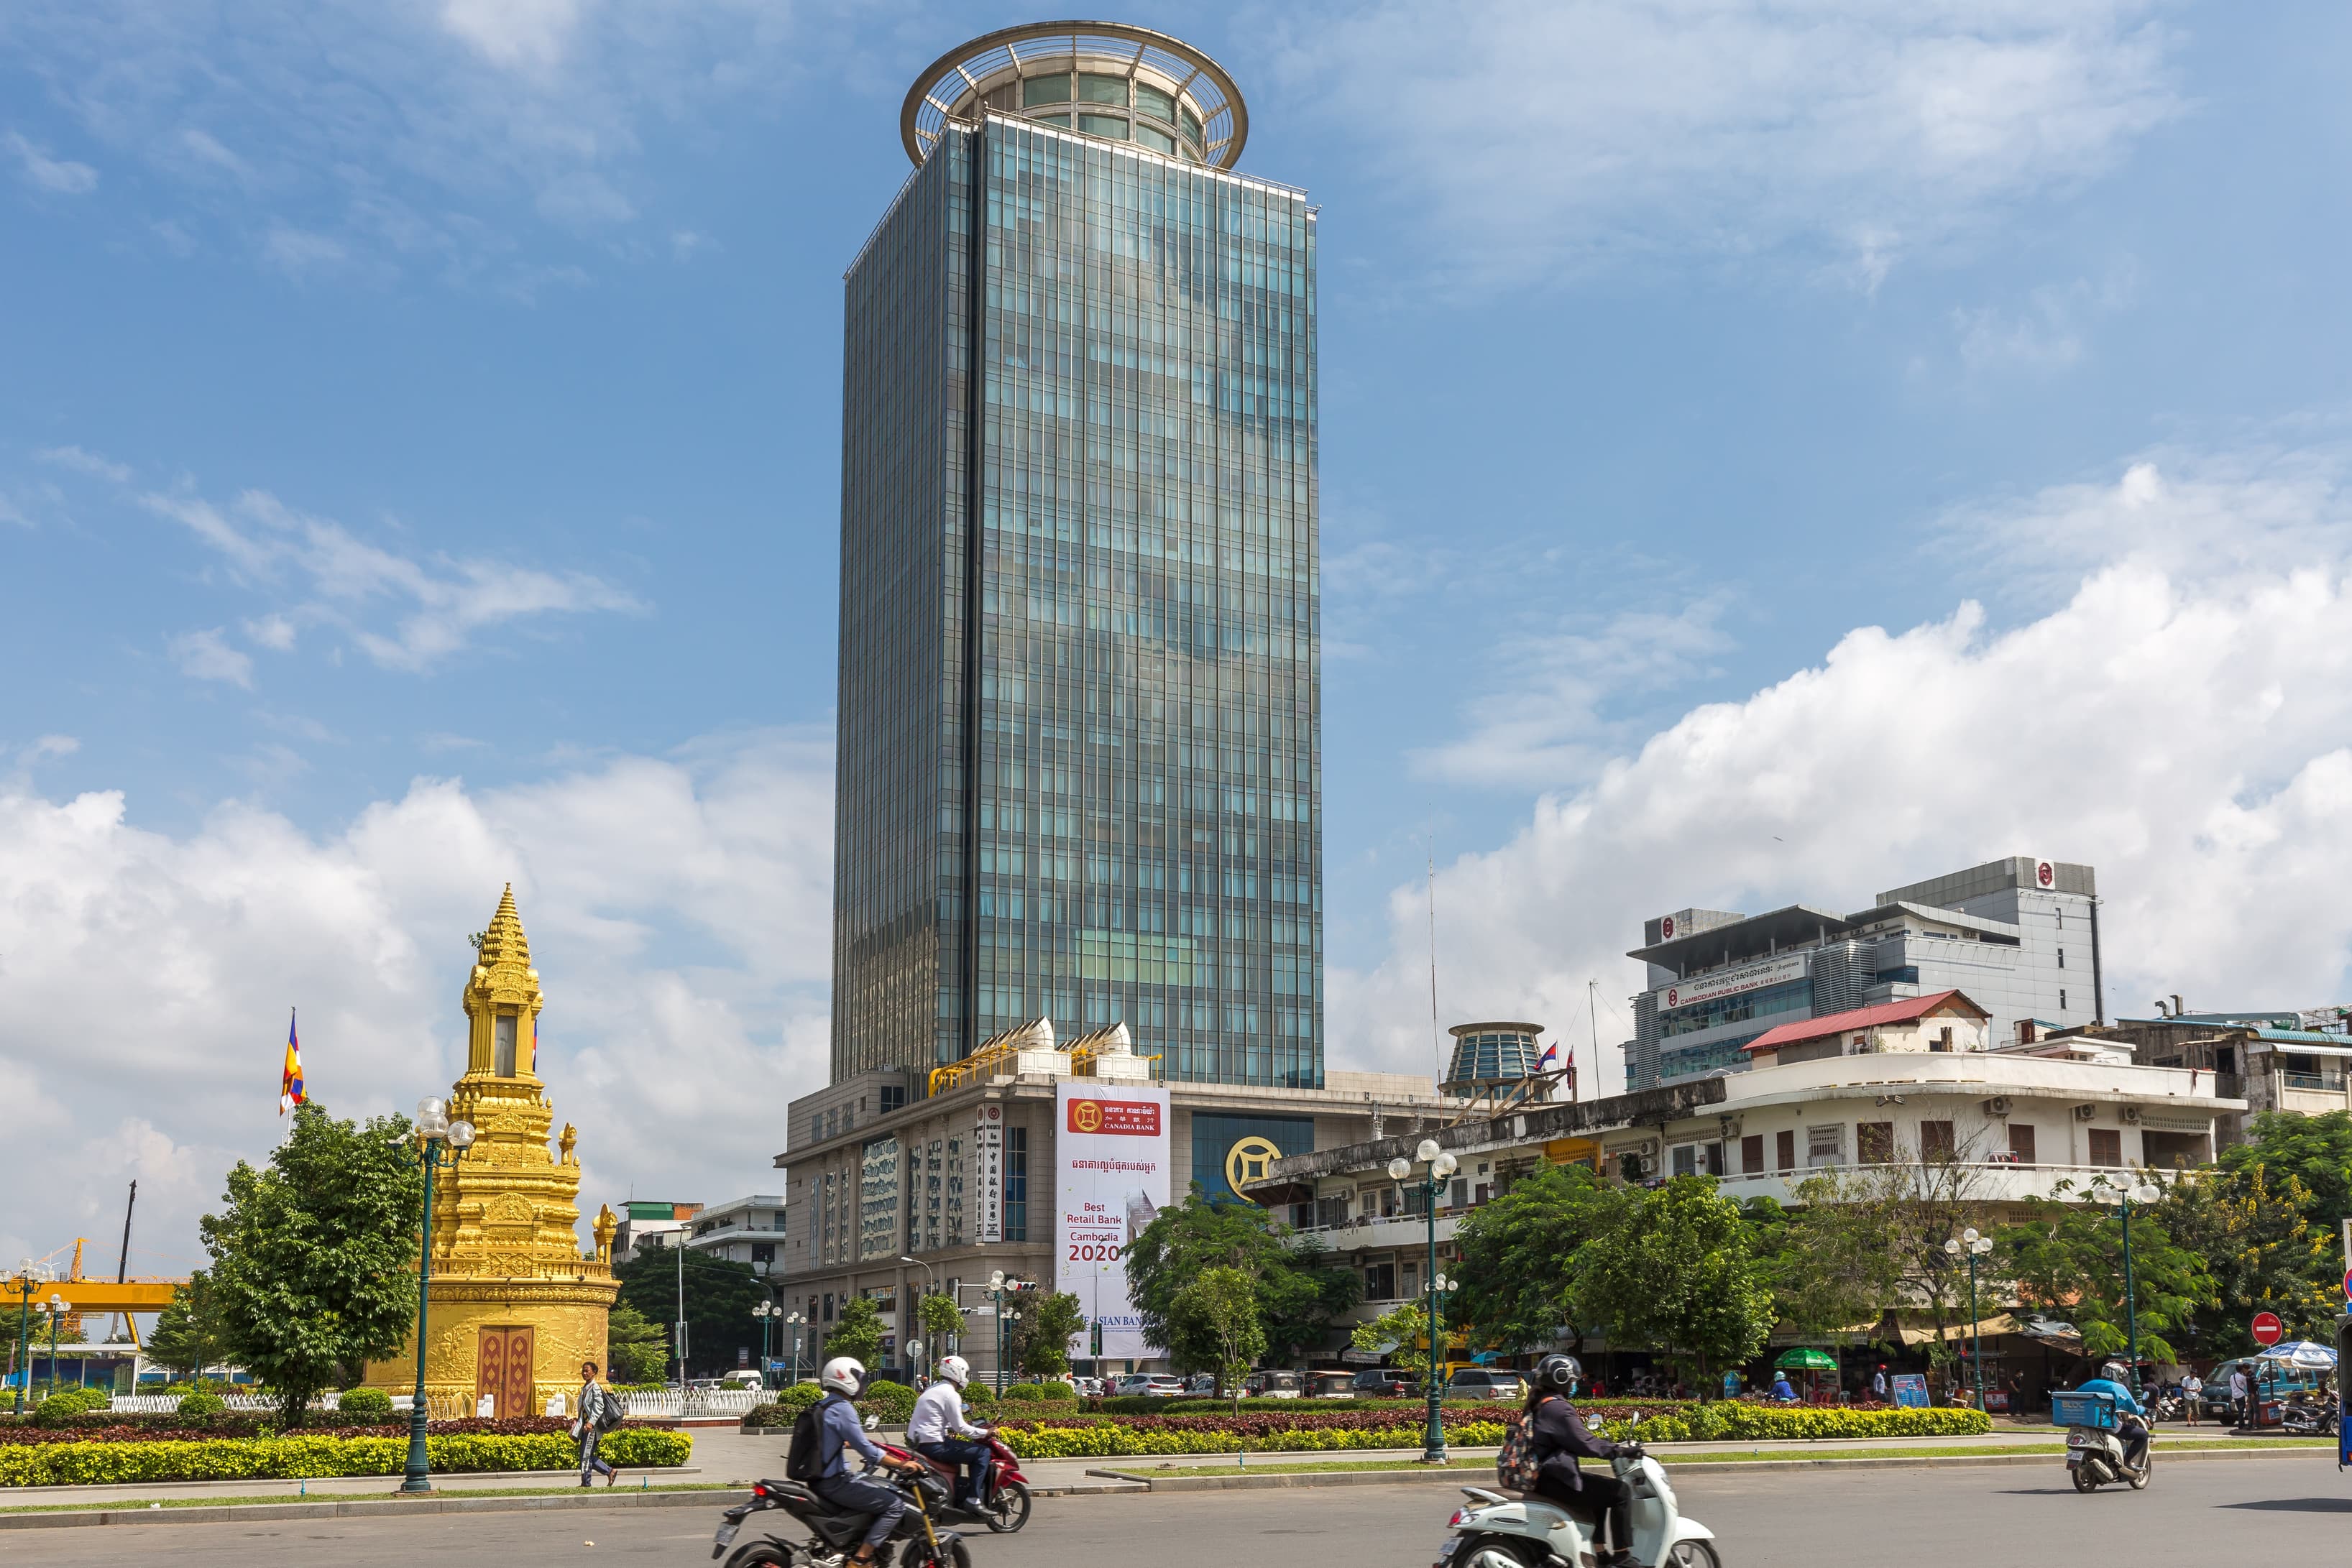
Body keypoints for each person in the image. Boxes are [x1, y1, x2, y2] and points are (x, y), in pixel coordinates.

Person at [1519, 1354, 1636, 1568]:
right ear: (1561, 1380)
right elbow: (1584, 1443)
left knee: (1601, 1493)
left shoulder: (1540, 1404)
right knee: (1620, 1492)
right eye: (1573, 1380)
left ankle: (1599, 1554)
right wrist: (1619, 1450)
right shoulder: (1558, 1409)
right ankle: (1623, 1556)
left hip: (1546, 1478)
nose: (1575, 1384)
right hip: (1554, 1481)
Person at [810, 1356, 924, 1565]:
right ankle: (861, 1559)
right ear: (847, 1379)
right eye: (860, 1380)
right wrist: (901, 1464)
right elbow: (871, 1453)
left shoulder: (822, 1405)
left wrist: (845, 1444)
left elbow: (831, 1438)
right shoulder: (843, 1408)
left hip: (818, 1480)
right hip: (835, 1483)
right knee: (895, 1506)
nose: (863, 1386)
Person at [907, 1355, 990, 1512]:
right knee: (983, 1453)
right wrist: (985, 1432)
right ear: (957, 1373)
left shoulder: (934, 1388)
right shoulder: (951, 1394)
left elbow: (939, 1420)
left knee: (958, 1452)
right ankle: (973, 1499)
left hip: (920, 1442)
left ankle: (957, 1495)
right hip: (934, 1445)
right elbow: (961, 1428)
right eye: (965, 1374)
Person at [2075, 1360, 2149, 1471]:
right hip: (2107, 1424)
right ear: (2117, 1375)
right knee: (2143, 1435)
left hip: (2084, 1422)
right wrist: (2143, 1409)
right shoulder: (2118, 1387)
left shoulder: (2090, 1384)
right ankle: (2127, 1461)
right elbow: (2134, 1409)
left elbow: (2074, 1396)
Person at [572, 1360, 618, 1488]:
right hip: (586, 1427)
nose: (584, 1373)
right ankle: (609, 1472)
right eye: (583, 1370)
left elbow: (599, 1407)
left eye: (587, 1371)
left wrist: (591, 1423)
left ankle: (587, 1483)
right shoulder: (586, 1387)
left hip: (592, 1429)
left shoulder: (595, 1387)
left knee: (585, 1456)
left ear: (594, 1372)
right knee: (586, 1455)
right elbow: (583, 1409)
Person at [2228, 1364, 2249, 1429]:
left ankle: (2241, 1423)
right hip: (2241, 1395)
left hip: (2235, 1395)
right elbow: (2246, 1384)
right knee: (2241, 1410)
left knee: (2239, 1410)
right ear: (2242, 1369)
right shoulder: (2242, 1377)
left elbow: (2231, 1385)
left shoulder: (2232, 1376)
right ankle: (2241, 1425)